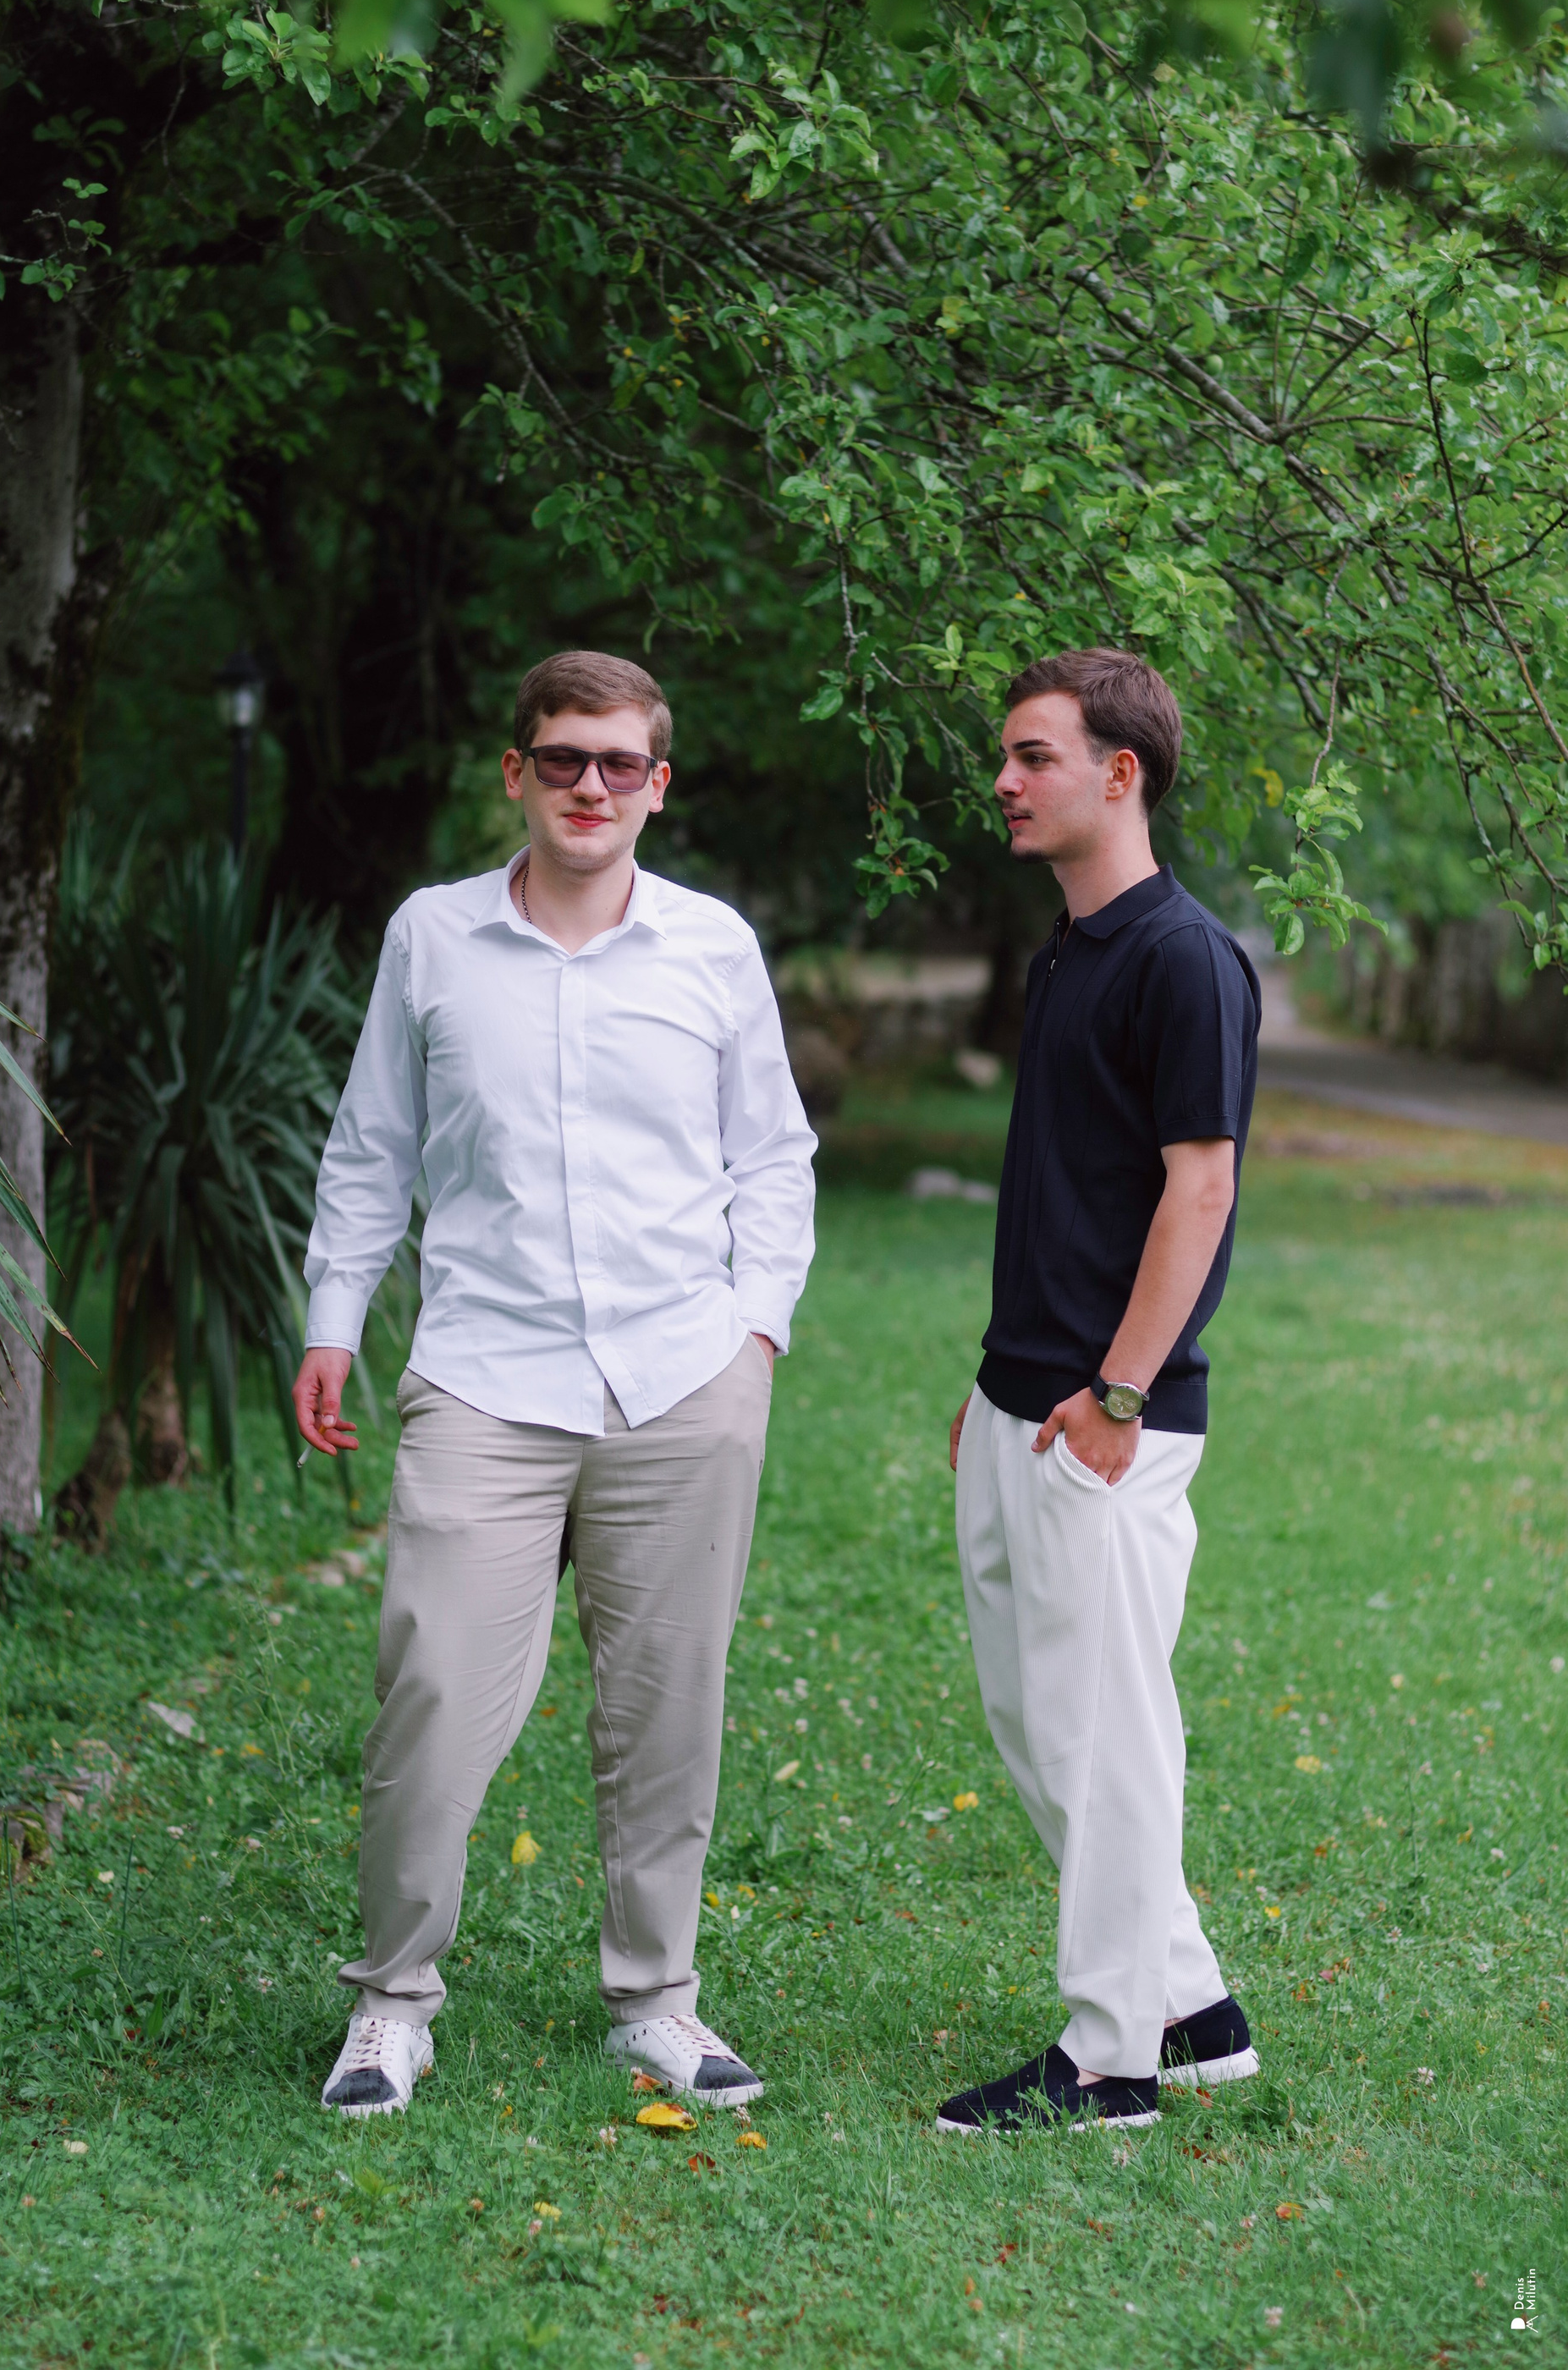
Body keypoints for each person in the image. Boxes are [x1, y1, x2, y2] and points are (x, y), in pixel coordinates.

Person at [294, 650, 816, 2120]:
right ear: (516, 773)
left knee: (669, 1708)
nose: (593, 785)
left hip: (683, 1378)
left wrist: (755, 1337)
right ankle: (392, 2003)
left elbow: (774, 1157)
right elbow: (371, 1147)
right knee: (432, 1689)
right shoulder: (433, 937)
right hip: (485, 1373)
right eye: (565, 758)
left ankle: (658, 2001)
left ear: (659, 785)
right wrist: (334, 1318)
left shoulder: (713, 946)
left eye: (620, 763)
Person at [937, 649, 1262, 2135]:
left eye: (1033, 756)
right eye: (1005, 756)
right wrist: (1002, 1379)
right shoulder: (1066, 949)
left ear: (1120, 773)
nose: (1004, 781)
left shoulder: (1186, 959)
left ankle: (1111, 2063)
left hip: (1111, 1424)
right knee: (1040, 1724)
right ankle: (1191, 2008)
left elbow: (1200, 1192)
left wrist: (1116, 1398)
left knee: (1112, 1736)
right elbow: (1066, 1192)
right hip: (1025, 1402)